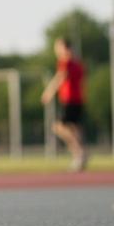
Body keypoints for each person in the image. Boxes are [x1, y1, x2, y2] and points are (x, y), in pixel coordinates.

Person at [40, 38, 87, 171]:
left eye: (58, 48)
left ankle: (80, 153)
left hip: (70, 100)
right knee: (75, 130)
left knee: (58, 127)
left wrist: (49, 92)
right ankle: (79, 157)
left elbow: (61, 77)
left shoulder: (66, 62)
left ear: (65, 48)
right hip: (78, 100)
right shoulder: (77, 63)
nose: (57, 51)